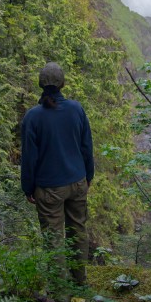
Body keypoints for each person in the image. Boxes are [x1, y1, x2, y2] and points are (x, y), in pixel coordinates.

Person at [20, 62, 94, 287]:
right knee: (77, 230)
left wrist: (28, 187)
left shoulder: (33, 117)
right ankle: (80, 282)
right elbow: (86, 148)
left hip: (49, 188)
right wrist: (87, 176)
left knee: (53, 238)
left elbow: (29, 158)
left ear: (40, 85)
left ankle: (60, 291)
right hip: (77, 181)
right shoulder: (76, 109)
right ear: (63, 84)